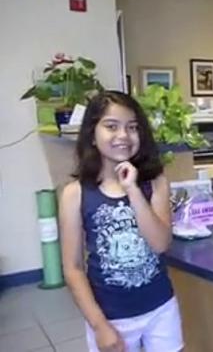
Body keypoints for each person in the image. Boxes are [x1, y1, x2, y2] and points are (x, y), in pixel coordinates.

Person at [59, 91, 183, 352]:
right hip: (109, 315)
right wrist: (99, 326)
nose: (123, 136)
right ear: (92, 134)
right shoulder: (75, 194)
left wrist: (133, 190)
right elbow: (72, 268)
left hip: (161, 308)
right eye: (111, 126)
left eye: (133, 127)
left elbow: (161, 244)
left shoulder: (155, 182)